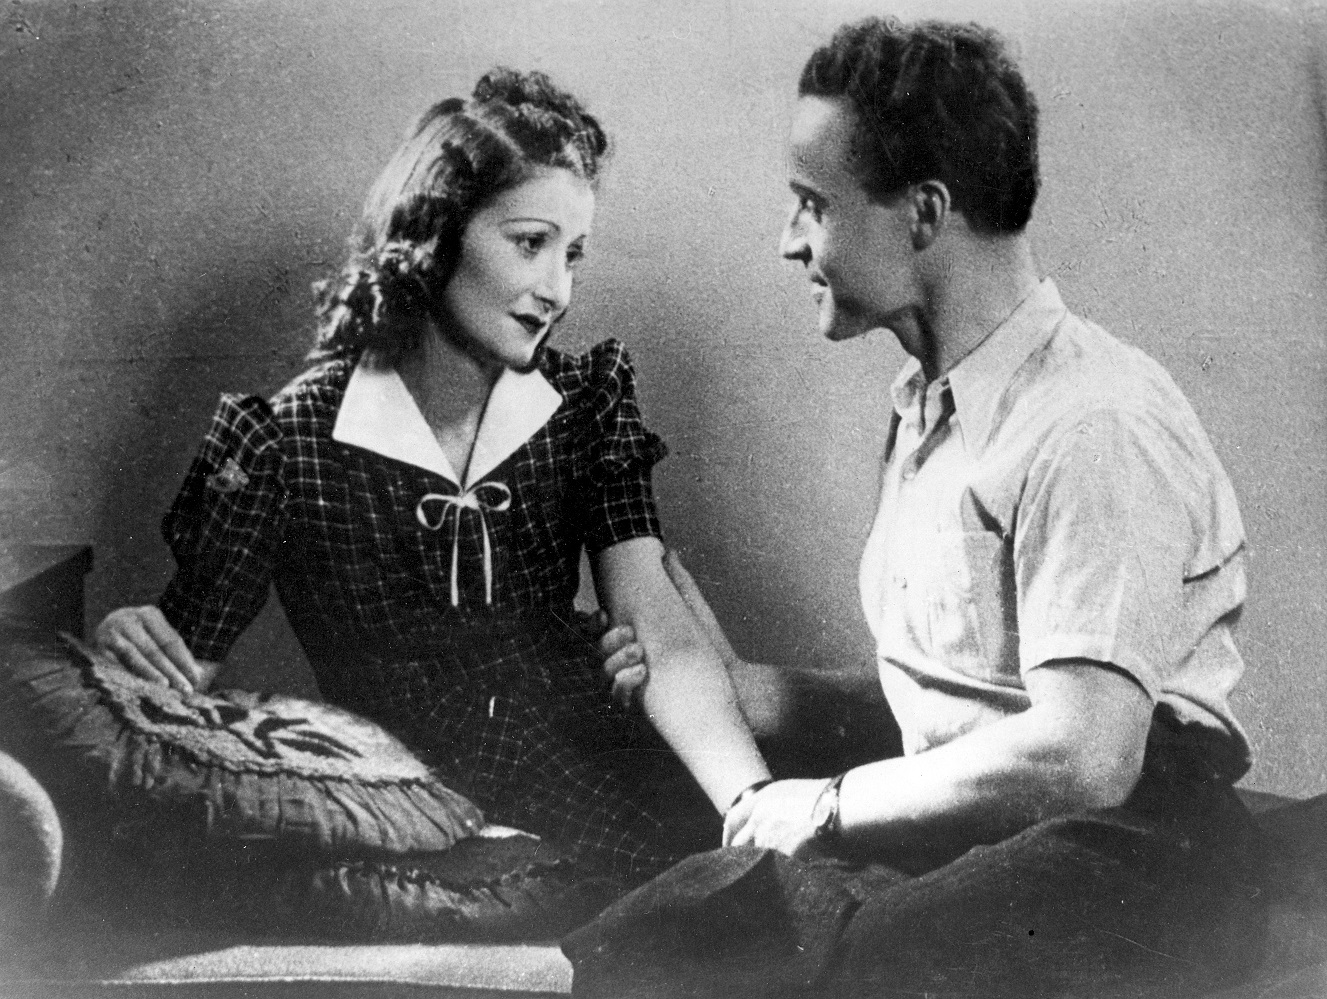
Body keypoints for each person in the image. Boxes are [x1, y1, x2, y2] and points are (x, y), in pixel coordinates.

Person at [567, 18, 1268, 998]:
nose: (787, 241)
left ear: (924, 212)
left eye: (812, 204)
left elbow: (1085, 755)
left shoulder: (1092, 420)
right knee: (669, 922)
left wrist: (828, 805)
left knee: (855, 956)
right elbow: (974, 701)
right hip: (1015, 826)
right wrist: (757, 694)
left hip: (1136, 846)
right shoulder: (926, 412)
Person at [94, 68, 770, 886]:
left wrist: (755, 805)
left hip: (595, 755)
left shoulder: (584, 400)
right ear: (436, 232)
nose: (556, 290)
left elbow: (654, 622)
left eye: (572, 254)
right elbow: (177, 671)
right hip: (413, 809)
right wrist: (122, 655)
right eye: (530, 243)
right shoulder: (286, 441)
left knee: (745, 883)